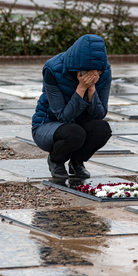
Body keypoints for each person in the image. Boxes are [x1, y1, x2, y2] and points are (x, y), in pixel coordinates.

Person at [32, 34, 113, 179]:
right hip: (48, 125)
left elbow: (99, 115)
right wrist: (81, 88)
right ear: (78, 68)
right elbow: (63, 116)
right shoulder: (53, 69)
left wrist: (92, 89)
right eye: (88, 72)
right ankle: (56, 161)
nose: (93, 74)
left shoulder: (104, 71)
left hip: (80, 124)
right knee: (75, 133)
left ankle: (77, 163)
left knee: (103, 129)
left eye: (97, 72)